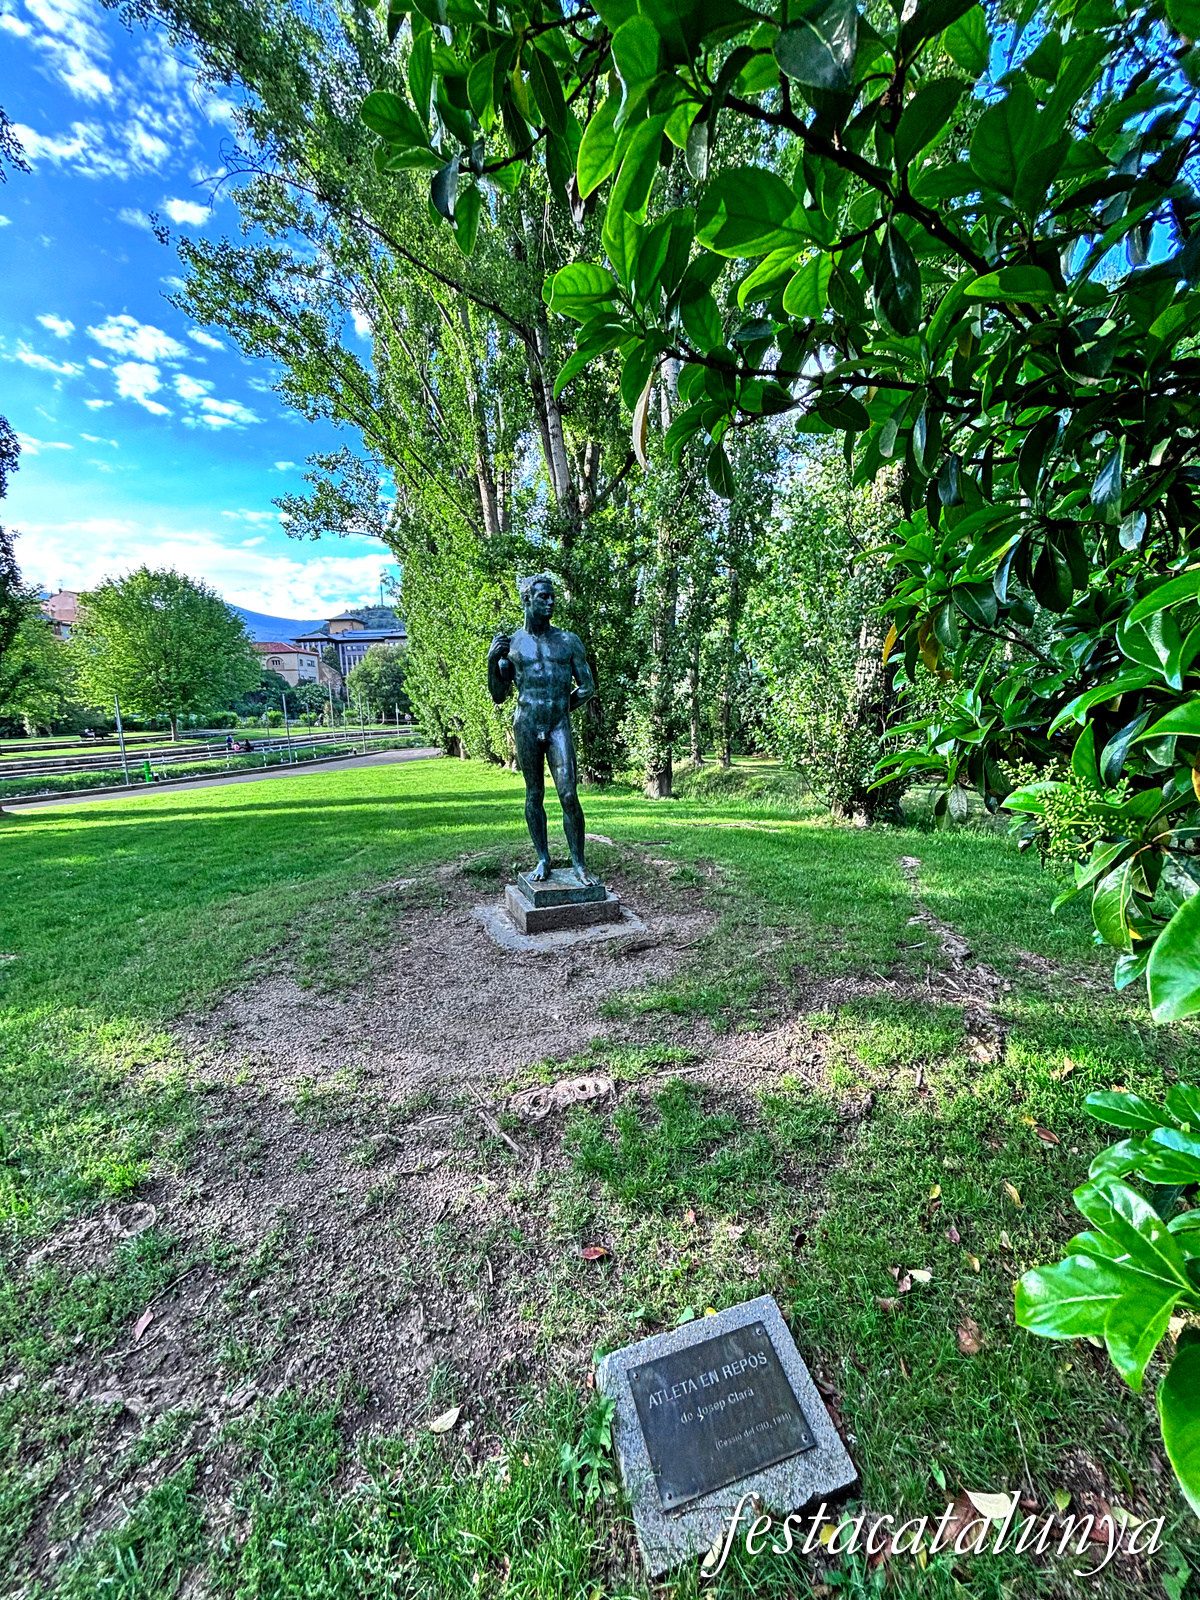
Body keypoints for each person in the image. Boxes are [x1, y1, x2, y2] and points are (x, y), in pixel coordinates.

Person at [487, 572, 598, 885]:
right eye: (543, 597)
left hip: (558, 724)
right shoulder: (512, 645)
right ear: (527, 599)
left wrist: (560, 707)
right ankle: (543, 859)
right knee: (534, 794)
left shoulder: (568, 642)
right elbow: (498, 695)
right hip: (525, 723)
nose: (550, 602)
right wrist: (491, 662)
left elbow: (587, 687)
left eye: (552, 597)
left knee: (568, 794)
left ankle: (579, 864)